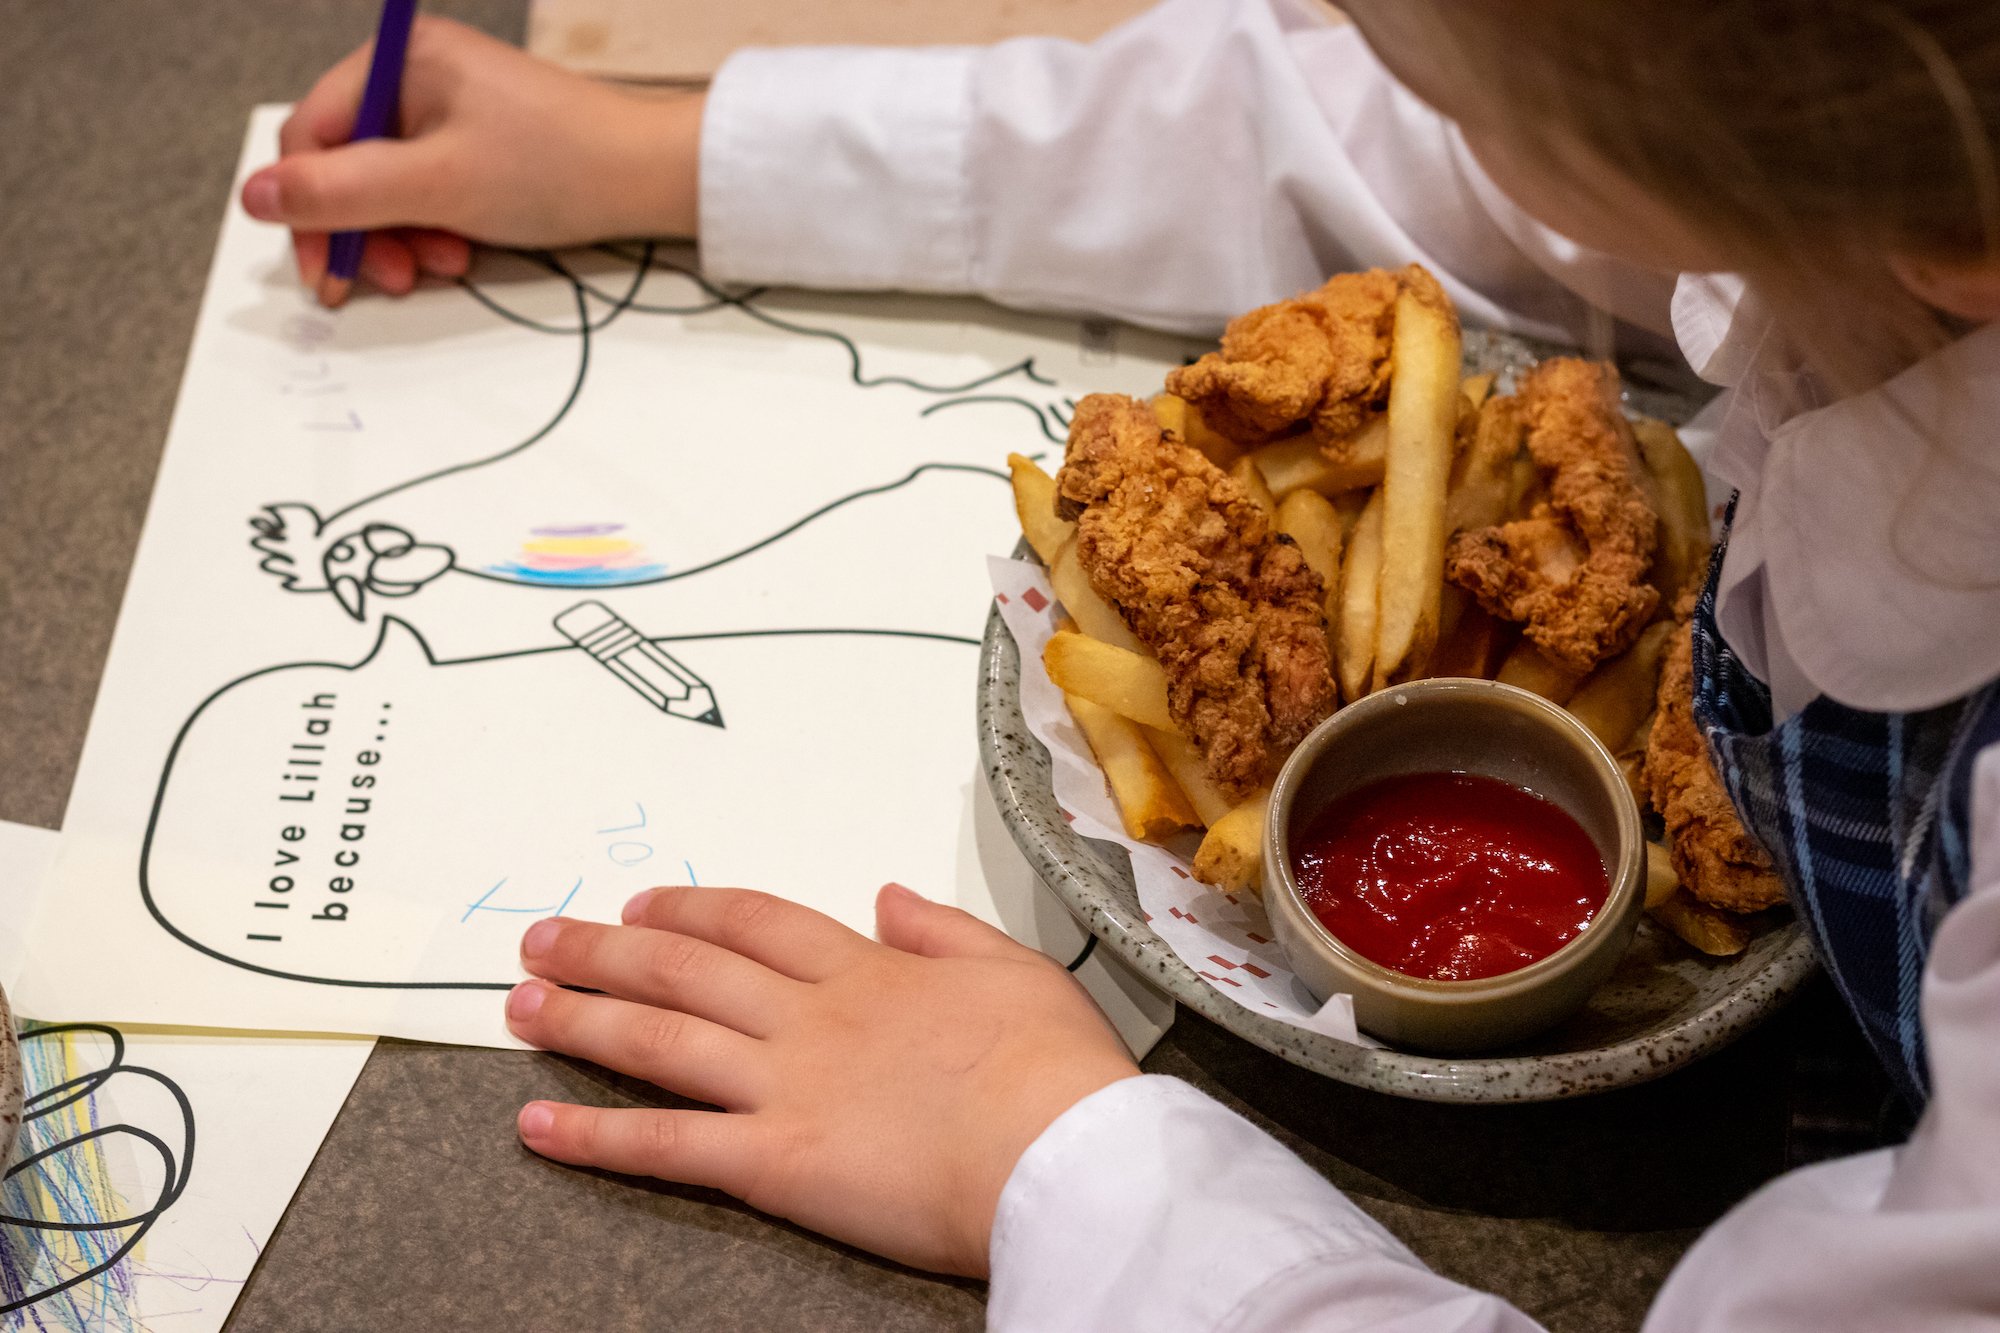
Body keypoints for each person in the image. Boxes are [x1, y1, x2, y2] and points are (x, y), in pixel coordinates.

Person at [241, 2, 2000, 1326]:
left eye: (1451, 67)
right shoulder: (1882, 162)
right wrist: (670, 155)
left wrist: (1061, 1161)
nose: (1398, 79)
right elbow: (1371, 143)